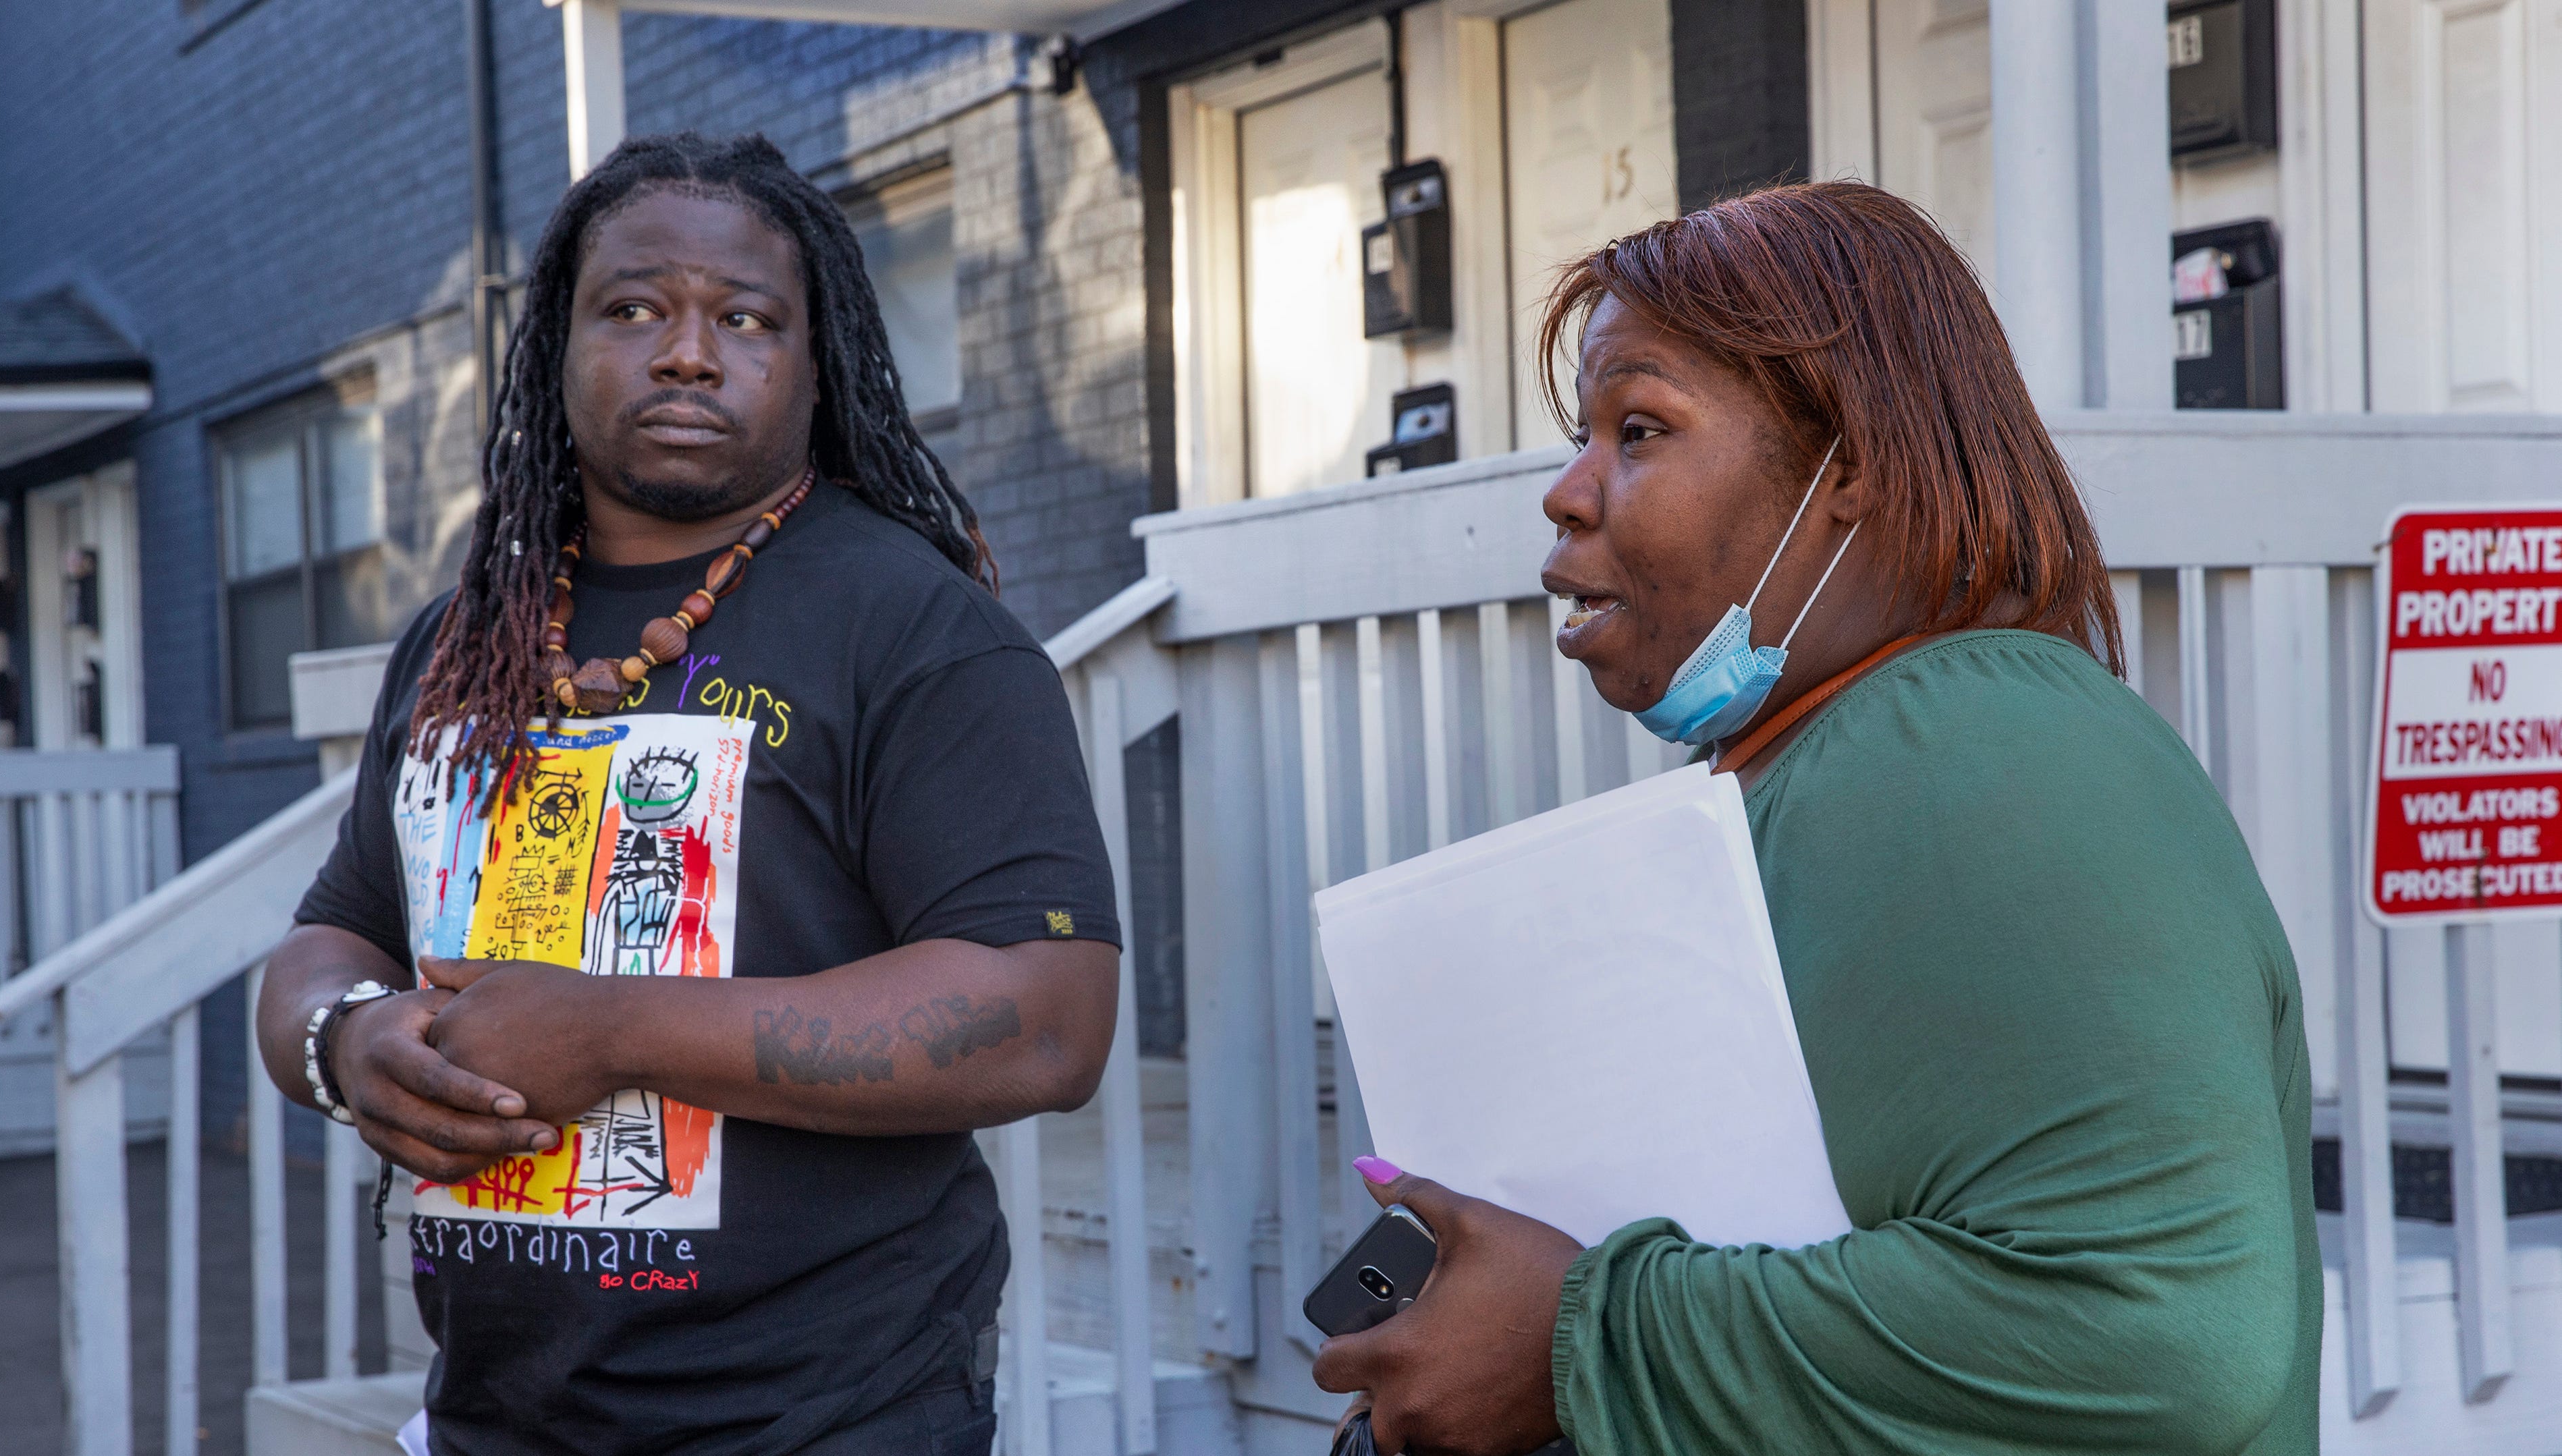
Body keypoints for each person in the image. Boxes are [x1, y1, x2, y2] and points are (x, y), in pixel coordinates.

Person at [1312, 181, 2318, 1455]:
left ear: (1846, 470)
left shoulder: (1991, 753)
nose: (1567, 493)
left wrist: (1580, 1340)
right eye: (1582, 436)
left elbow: (2164, 1335)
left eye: (1638, 428)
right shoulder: (1844, 759)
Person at [253, 132, 1122, 1456]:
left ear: (817, 364)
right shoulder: (460, 638)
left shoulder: (912, 626)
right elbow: (333, 937)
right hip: (495, 1409)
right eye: (634, 308)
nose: (687, 352)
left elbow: (1047, 1020)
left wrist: (613, 1031)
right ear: (559, 342)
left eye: (746, 317)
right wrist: (345, 1040)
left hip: (825, 1409)